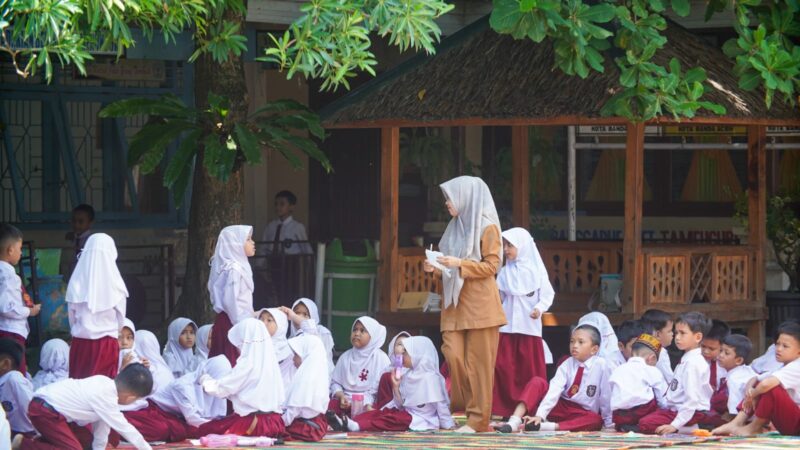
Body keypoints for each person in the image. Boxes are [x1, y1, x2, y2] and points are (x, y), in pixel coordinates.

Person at [422, 176, 506, 433]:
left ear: (465, 197)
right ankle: (463, 405)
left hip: (480, 304)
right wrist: (434, 268)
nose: (447, 203)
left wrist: (460, 264)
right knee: (453, 354)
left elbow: (493, 266)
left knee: (479, 364)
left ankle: (478, 420)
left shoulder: (487, 227)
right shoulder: (454, 227)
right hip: (454, 304)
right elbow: (448, 268)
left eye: (450, 197)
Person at [496, 324, 612, 433]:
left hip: (581, 412)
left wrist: (608, 424)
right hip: (560, 406)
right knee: (538, 382)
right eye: (572, 341)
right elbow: (554, 389)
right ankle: (514, 421)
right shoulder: (567, 363)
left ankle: (544, 427)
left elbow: (605, 397)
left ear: (594, 349)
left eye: (581, 342)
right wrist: (540, 415)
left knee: (595, 420)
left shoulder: (601, 365)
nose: (575, 346)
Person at [329, 336, 456, 433]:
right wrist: (396, 386)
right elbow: (401, 405)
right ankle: (348, 422)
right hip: (406, 412)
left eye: (405, 352)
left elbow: (441, 405)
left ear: (417, 354)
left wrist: (447, 424)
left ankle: (357, 426)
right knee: (381, 413)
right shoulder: (409, 375)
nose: (401, 355)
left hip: (420, 419)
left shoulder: (431, 378)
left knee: (392, 420)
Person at [18, 363, 153, 450]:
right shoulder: (105, 396)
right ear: (130, 398)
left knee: (87, 441)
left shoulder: (104, 383)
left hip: (48, 410)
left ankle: (42, 442)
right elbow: (126, 428)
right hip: (45, 411)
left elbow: (102, 428)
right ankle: (24, 445)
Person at [492, 227, 554, 417]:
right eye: (504, 245)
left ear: (523, 245)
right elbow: (498, 296)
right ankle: (503, 409)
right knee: (504, 369)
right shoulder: (504, 272)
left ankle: (530, 409)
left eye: (510, 245)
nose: (506, 249)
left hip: (529, 329)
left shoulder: (537, 272)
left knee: (528, 370)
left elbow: (548, 294)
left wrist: (539, 308)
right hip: (507, 328)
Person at [199, 318, 286, 438]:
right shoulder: (271, 362)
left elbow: (222, 389)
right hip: (275, 423)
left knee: (203, 430)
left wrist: (204, 380)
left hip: (254, 424)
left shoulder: (247, 363)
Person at [638, 312, 721, 434]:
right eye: (676, 332)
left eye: (682, 333)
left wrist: (674, 425)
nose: (677, 337)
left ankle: (696, 427)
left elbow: (692, 399)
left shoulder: (693, 363)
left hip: (693, 413)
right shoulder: (687, 358)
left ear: (697, 337)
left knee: (646, 424)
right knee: (645, 418)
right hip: (677, 410)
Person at [713, 321, 800, 436]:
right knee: (761, 385)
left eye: (785, 346)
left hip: (796, 424)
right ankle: (736, 422)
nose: (778, 349)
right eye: (777, 344)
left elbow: (766, 385)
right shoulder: (782, 366)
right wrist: (750, 391)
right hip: (788, 422)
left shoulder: (796, 366)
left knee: (770, 387)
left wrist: (753, 394)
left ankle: (754, 427)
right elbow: (754, 378)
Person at [66, 233, 127, 379]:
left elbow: (71, 318)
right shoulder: (116, 285)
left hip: (81, 344)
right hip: (107, 344)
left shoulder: (75, 283)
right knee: (104, 390)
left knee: (79, 387)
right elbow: (120, 320)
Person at [208, 225, 256, 366]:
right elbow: (231, 302)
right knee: (231, 365)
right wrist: (241, 326)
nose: (253, 242)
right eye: (248, 239)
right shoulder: (234, 269)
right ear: (235, 244)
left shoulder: (238, 267)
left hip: (235, 320)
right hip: (232, 323)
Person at [0, 224, 41, 375]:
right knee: (16, 374)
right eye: (20, 248)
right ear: (10, 250)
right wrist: (29, 311)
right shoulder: (8, 275)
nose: (21, 252)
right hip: (10, 332)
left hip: (5, 330)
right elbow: (6, 307)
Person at [329, 317, 390, 416]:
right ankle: (347, 420)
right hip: (345, 401)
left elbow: (381, 390)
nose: (357, 333)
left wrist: (361, 403)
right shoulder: (345, 357)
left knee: (377, 412)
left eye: (362, 331)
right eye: (355, 330)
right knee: (328, 406)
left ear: (373, 336)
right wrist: (341, 396)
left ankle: (351, 421)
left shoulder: (381, 358)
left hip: (369, 402)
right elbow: (335, 383)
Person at [151, 356, 232, 429]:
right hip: (156, 409)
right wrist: (219, 426)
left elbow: (217, 417)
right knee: (174, 430)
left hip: (178, 415)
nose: (217, 387)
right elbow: (193, 420)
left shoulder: (216, 389)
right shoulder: (183, 387)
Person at [608, 334, 668, 432]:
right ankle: (641, 427)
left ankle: (626, 427)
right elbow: (662, 400)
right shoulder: (651, 370)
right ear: (651, 358)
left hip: (620, 417)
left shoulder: (618, 369)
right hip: (643, 413)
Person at [282, 336, 330, 442]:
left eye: (296, 355)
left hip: (307, 428)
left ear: (306, 355)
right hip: (317, 425)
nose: (293, 359)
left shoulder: (305, 380)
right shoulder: (316, 374)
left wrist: (277, 424)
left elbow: (292, 413)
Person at [284, 298, 335, 374]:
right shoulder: (291, 338)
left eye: (305, 314)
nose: (300, 316)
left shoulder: (322, 332)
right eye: (297, 313)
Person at [711, 334, 756, 420]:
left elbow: (734, 412)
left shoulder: (734, 380)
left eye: (726, 353)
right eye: (721, 351)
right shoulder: (747, 370)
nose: (721, 355)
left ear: (738, 360)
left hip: (743, 420)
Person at [261, 191, 312, 256]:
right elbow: (263, 248)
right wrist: (259, 265)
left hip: (290, 263)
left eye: (282, 204)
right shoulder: (270, 226)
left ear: (291, 207)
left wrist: (310, 264)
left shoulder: (297, 227)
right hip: (272, 263)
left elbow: (306, 248)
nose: (278, 207)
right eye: (276, 204)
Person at [0, 339, 34, 436]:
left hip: (26, 432)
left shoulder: (14, 379)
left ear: (6, 364)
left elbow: (29, 406)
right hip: (10, 430)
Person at [256, 308, 294, 387]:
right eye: (261, 319)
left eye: (269, 320)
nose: (263, 323)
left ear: (281, 325)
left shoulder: (289, 351)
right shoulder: (254, 346)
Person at [376, 331, 411, 409]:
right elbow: (375, 387)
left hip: (403, 406)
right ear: (392, 348)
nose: (403, 348)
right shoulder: (387, 369)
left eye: (407, 345)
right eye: (399, 344)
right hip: (385, 407)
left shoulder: (412, 370)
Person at [642, 309, 675, 382]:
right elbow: (670, 380)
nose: (672, 334)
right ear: (657, 334)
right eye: (669, 331)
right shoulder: (660, 352)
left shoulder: (639, 348)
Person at [702, 320, 731, 399]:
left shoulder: (728, 364)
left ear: (723, 347)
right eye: (703, 346)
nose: (706, 351)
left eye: (712, 349)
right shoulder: (695, 361)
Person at [65, 204, 95, 269]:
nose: (76, 225)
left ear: (90, 223)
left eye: (81, 221)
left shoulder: (92, 241)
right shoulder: (69, 238)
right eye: (74, 221)